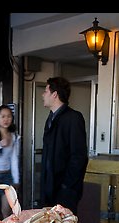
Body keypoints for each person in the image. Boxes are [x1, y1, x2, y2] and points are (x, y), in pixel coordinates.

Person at [40, 76, 88, 215]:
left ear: (54, 94)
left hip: (65, 191)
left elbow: (79, 156)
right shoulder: (51, 118)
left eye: (46, 91)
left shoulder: (74, 117)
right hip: (49, 188)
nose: (43, 95)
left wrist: (66, 186)